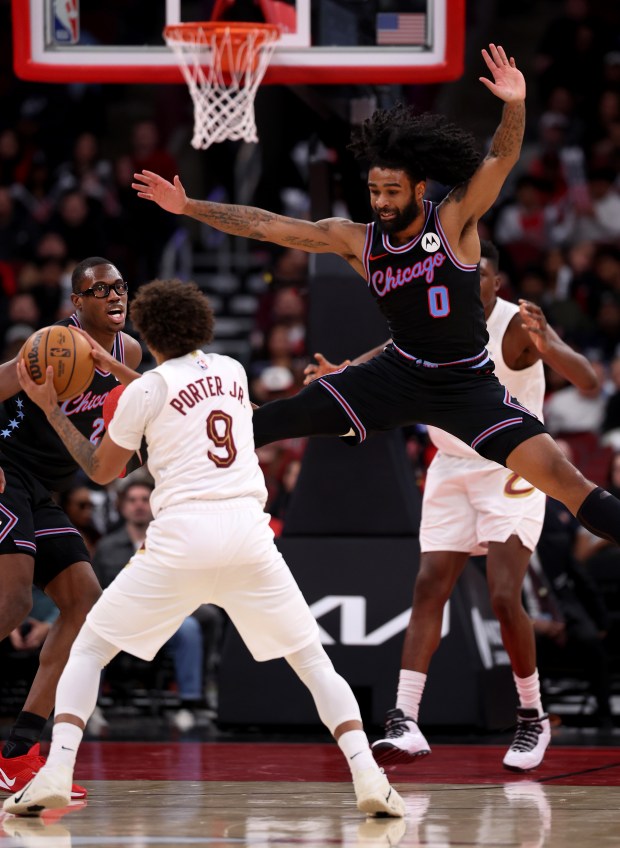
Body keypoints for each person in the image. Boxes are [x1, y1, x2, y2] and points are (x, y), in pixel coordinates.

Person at [131, 46, 620, 550]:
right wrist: (188, 206)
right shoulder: (357, 240)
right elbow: (269, 226)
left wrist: (514, 104)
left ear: (418, 188)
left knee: (565, 480)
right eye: (374, 191)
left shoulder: (452, 220)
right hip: (398, 374)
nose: (382, 202)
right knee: (274, 419)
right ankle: (151, 461)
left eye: (392, 191)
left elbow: (500, 157)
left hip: (466, 384)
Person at [3, 279, 404, 819]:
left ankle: (55, 772)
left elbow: (101, 471)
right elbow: (172, 395)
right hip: (248, 537)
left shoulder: (147, 389)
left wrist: (52, 410)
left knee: (90, 649)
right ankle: (370, 777)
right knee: (312, 662)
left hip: (183, 541)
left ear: (149, 329)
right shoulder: (233, 372)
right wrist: (117, 367)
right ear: (201, 326)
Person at [303, 240, 599, 771]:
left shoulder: (513, 325)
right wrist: (343, 371)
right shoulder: (437, 311)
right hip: (451, 464)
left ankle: (533, 716)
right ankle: (406, 718)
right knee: (427, 586)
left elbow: (589, 381)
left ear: (496, 283)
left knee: (505, 597)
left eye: (478, 273)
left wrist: (551, 344)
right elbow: (394, 353)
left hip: (512, 465)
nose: (467, 281)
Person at [0, 256, 142, 800]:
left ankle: (17, 755)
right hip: (5, 467)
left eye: (120, 287)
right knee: (12, 604)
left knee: (84, 600)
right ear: (76, 304)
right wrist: (18, 371)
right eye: (98, 289)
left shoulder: (128, 353)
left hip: (45, 487)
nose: (114, 296)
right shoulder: (53, 344)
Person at [93, 479, 206, 730]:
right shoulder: (107, 546)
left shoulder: (171, 542)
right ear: (123, 507)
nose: (139, 506)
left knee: (189, 628)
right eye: (133, 500)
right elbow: (96, 590)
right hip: (120, 617)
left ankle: (189, 704)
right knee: (93, 628)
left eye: (145, 500)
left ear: (155, 504)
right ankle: (92, 705)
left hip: (163, 616)